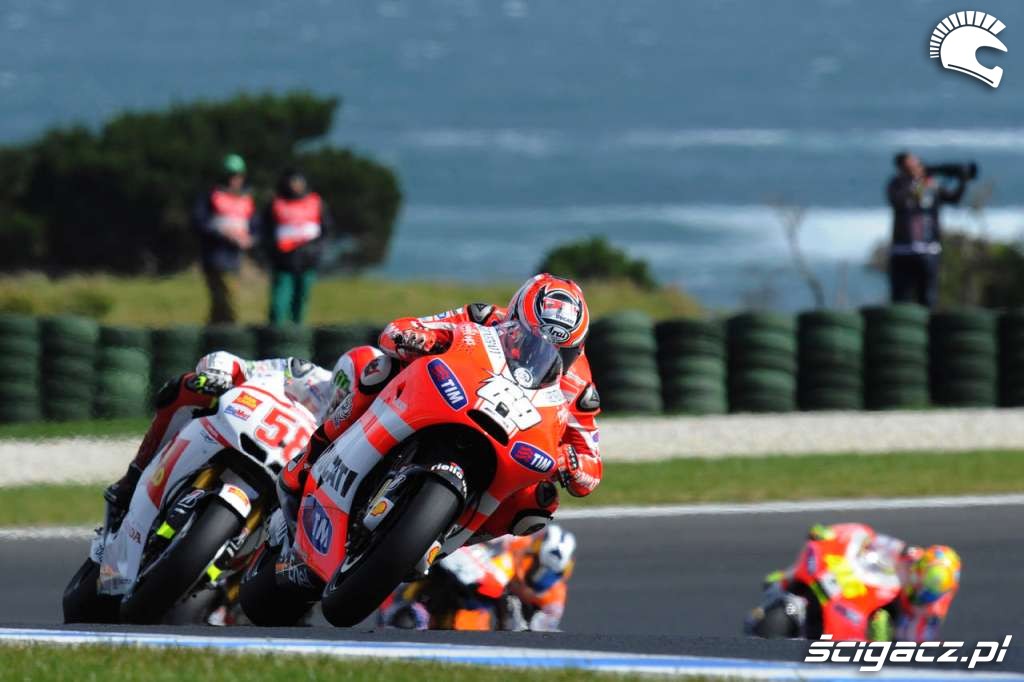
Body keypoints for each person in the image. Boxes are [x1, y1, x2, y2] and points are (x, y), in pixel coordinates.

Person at [279, 273, 602, 541]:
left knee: (539, 504)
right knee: (379, 367)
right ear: (512, 318)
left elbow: (591, 466)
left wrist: (572, 463)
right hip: (449, 399)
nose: (541, 355)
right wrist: (417, 339)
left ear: (578, 348)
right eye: (531, 339)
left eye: (561, 352)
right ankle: (310, 457)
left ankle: (438, 540)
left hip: (511, 442)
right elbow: (399, 331)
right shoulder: (484, 318)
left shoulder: (579, 387)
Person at [103, 351, 334, 518]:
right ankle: (133, 477)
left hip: (288, 484)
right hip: (241, 434)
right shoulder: (307, 376)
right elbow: (236, 364)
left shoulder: (352, 441)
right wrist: (218, 373)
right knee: (187, 387)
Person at [756, 523, 961, 642]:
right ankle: (787, 576)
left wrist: (887, 640)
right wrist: (832, 535)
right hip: (870, 588)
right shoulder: (910, 555)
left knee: (880, 628)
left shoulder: (933, 613)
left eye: (929, 592)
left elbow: (916, 646)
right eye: (920, 583)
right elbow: (871, 539)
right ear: (919, 568)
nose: (921, 593)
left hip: (890, 627)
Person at [380, 524, 577, 631]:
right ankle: (409, 605)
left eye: (549, 573)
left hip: (477, 623)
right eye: (537, 567)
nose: (540, 578)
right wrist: (486, 580)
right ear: (531, 552)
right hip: (462, 580)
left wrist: (518, 625)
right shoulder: (513, 538)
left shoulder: (553, 597)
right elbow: (462, 541)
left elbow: (544, 635)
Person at [886, 152, 969, 307]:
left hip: (929, 251)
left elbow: (954, 199)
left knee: (928, 299)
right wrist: (918, 183)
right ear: (901, 168)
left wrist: (962, 180)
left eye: (918, 164)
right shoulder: (896, 184)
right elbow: (898, 200)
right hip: (903, 251)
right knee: (900, 299)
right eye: (911, 165)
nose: (917, 168)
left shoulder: (931, 185)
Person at [262, 169, 334, 325]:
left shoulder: (316, 202)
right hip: (283, 261)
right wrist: (272, 252)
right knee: (279, 301)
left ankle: (298, 331)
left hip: (308, 259)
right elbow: (266, 232)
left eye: (298, 182)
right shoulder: (276, 203)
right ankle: (276, 331)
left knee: (301, 300)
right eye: (292, 182)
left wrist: (316, 251)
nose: (295, 185)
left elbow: (326, 230)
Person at [193, 154, 256, 323]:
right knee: (229, 298)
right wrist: (222, 232)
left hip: (236, 257)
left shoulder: (245, 198)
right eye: (231, 175)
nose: (234, 180)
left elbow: (255, 225)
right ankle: (231, 330)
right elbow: (199, 222)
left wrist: (251, 238)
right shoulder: (211, 196)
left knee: (220, 303)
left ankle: (215, 331)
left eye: (238, 176)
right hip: (215, 256)